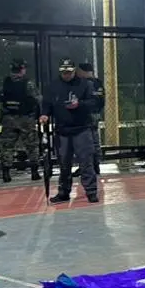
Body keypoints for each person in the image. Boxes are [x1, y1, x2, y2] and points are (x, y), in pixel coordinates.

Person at [41, 57, 98, 204]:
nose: (66, 75)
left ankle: (91, 191)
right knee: (64, 163)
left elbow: (94, 103)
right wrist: (44, 114)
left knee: (86, 162)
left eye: (69, 72)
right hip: (62, 130)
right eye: (63, 72)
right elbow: (47, 103)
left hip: (82, 128)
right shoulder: (53, 86)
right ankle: (64, 192)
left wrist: (79, 104)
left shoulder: (85, 84)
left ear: (74, 71)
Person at [0, 58, 40, 183]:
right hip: (25, 118)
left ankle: (6, 173)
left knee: (7, 146)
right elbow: (36, 98)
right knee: (31, 145)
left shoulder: (4, 82)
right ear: (22, 69)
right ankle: (34, 172)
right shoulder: (28, 83)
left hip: (8, 118)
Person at [76, 61, 103, 174]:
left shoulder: (84, 84)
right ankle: (95, 165)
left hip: (85, 115)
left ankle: (86, 166)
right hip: (95, 114)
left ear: (83, 72)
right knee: (94, 140)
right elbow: (101, 100)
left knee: (84, 141)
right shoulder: (98, 83)